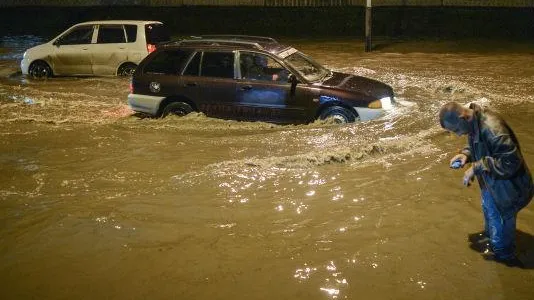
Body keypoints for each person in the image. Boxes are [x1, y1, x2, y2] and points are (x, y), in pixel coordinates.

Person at [439, 101, 533, 267]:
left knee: (501, 247)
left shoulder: (492, 129)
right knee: (491, 227)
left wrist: (477, 166)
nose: (457, 135)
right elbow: (478, 142)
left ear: (463, 117)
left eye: (455, 130)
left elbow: (511, 162)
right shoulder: (472, 119)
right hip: (494, 186)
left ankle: (506, 267)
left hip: (508, 192)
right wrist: (466, 154)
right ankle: (497, 243)